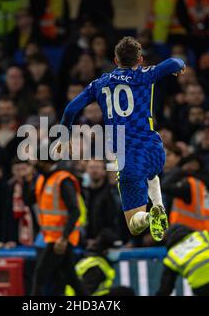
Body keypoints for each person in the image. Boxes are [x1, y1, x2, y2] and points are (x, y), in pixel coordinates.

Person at [56, 36, 186, 241]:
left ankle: (149, 216)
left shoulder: (99, 84)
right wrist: (180, 67)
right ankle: (159, 205)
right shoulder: (146, 75)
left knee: (134, 225)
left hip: (127, 157)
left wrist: (64, 138)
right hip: (155, 148)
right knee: (151, 174)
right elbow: (175, 62)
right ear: (140, 59)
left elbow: (70, 109)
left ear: (115, 61)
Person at [25, 142, 87, 296]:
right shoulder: (41, 179)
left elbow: (75, 211)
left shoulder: (63, 180)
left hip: (60, 238)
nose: (35, 164)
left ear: (47, 162)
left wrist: (64, 238)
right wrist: (29, 181)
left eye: (38, 161)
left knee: (40, 274)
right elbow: (28, 200)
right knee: (70, 278)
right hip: (51, 237)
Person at [65, 229, 116, 296]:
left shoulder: (96, 261)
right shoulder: (96, 268)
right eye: (114, 249)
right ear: (105, 251)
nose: (117, 252)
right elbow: (84, 293)